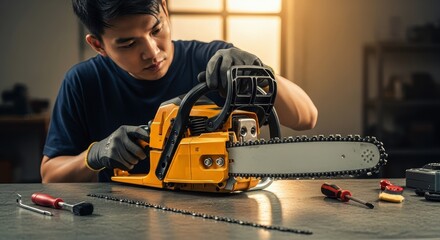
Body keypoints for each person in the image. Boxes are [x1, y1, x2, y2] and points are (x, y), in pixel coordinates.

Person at [40, 0, 318, 183]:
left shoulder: (213, 60)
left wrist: (258, 72)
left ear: (164, 7)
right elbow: (50, 176)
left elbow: (306, 118)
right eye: (127, 44)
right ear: (98, 45)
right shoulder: (83, 82)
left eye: (156, 29)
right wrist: (94, 155)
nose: (151, 51)